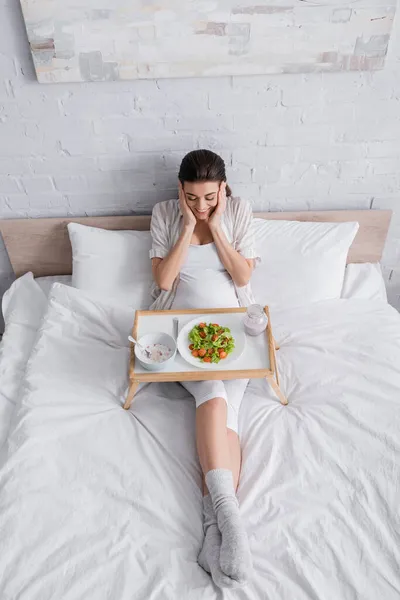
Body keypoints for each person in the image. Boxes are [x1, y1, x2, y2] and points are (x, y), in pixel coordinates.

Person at [149, 149, 259, 589]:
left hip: (235, 336)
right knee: (213, 390)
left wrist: (215, 227)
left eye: (210, 198)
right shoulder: (165, 214)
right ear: (180, 190)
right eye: (192, 198)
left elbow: (244, 277)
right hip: (180, 337)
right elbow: (162, 281)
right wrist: (187, 227)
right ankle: (230, 518)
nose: (201, 206)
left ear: (224, 189)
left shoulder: (238, 212)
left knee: (225, 406)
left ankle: (215, 529)